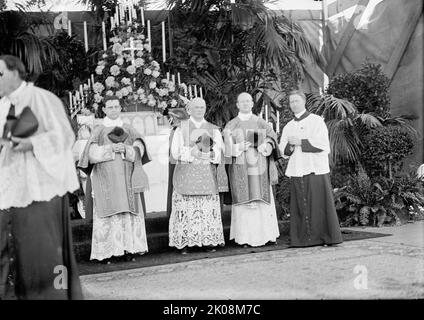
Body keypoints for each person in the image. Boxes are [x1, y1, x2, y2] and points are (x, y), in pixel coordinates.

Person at [0, 55, 83, 299]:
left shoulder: (43, 99)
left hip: (41, 190)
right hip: (9, 190)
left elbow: (64, 137)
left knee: (44, 255)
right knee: (11, 252)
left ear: (16, 73)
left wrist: (32, 144)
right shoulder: (2, 106)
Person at [78, 96, 151, 263]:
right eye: (109, 107)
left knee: (128, 211)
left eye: (116, 106)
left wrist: (126, 149)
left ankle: (129, 249)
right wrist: (110, 149)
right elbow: (90, 155)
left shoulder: (129, 129)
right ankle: (107, 252)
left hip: (127, 179)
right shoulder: (98, 130)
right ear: (103, 109)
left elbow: (140, 149)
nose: (113, 109)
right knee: (108, 213)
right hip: (106, 179)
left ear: (120, 108)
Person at [279, 90, 343, 247]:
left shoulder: (316, 121)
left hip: (315, 169)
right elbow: (283, 150)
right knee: (300, 205)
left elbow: (323, 144)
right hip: (297, 169)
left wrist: (301, 141)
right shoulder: (288, 126)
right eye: (291, 102)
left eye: (296, 101)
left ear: (303, 101)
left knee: (319, 205)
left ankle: (325, 237)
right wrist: (290, 146)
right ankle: (303, 239)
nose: (294, 104)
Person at [169, 98, 225, 254]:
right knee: (186, 208)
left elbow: (220, 151)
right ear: (189, 110)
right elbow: (174, 152)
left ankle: (207, 241)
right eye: (196, 107)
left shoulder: (213, 129)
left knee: (206, 208)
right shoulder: (181, 128)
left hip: (206, 173)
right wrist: (193, 152)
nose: (200, 110)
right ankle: (185, 242)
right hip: (186, 173)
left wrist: (212, 153)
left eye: (202, 107)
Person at [223, 92, 280, 247]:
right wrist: (237, 147)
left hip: (260, 168)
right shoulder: (231, 125)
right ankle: (245, 238)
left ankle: (267, 236)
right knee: (245, 202)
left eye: (248, 101)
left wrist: (267, 145)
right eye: (243, 102)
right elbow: (225, 148)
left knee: (261, 201)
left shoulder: (261, 122)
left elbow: (272, 137)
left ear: (252, 104)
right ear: (237, 105)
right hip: (241, 169)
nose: (246, 104)